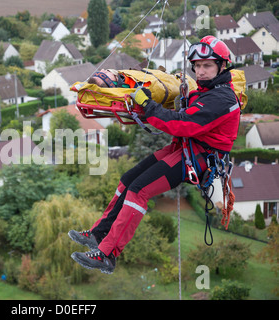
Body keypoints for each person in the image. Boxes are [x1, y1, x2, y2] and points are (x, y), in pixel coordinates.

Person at [70, 35, 241, 274]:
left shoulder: (222, 99)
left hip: (198, 158)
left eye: (207, 66)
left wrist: (149, 107)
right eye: (198, 66)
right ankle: (98, 233)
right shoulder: (207, 91)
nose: (200, 71)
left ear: (222, 66)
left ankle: (108, 254)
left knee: (139, 190)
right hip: (185, 150)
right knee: (129, 180)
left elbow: (183, 123)